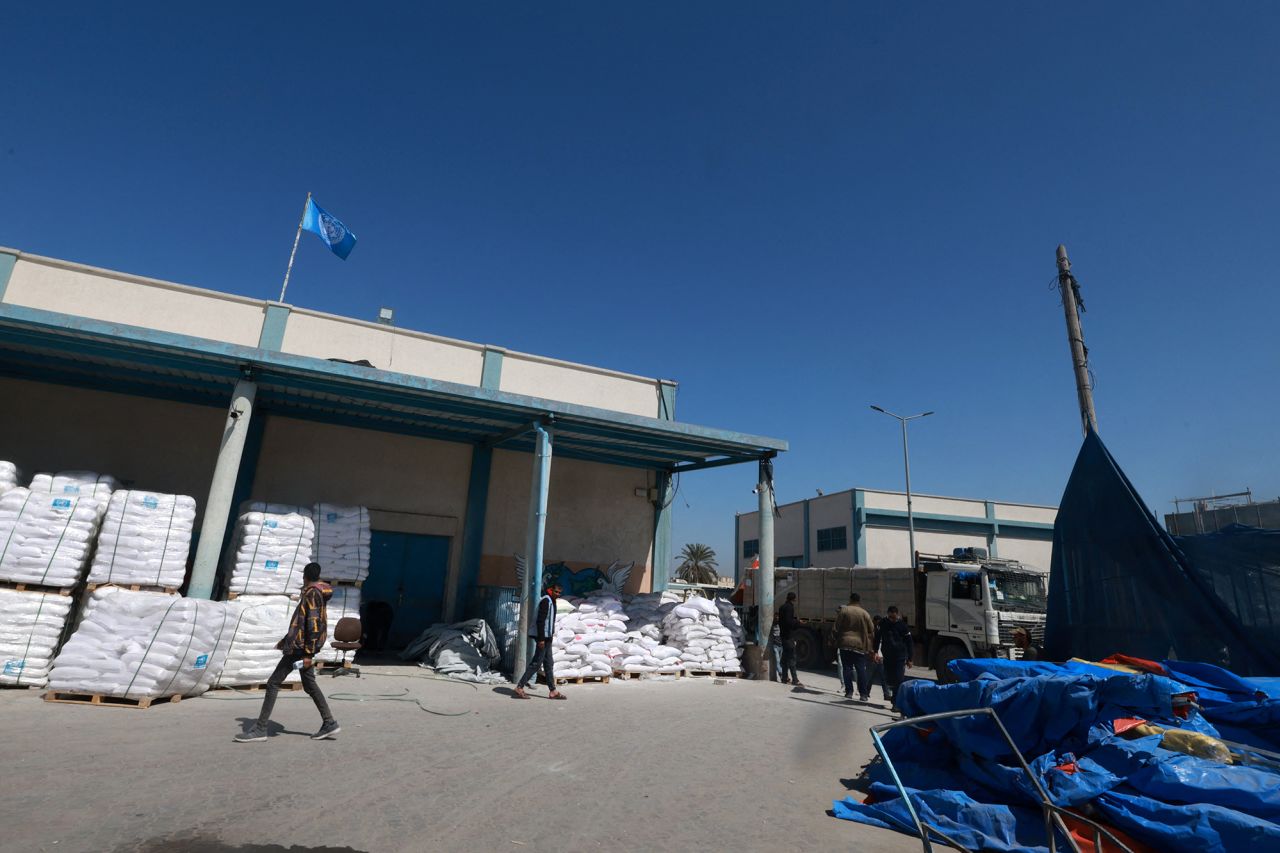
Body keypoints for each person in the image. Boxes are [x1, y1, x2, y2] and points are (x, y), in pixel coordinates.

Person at [235, 562, 340, 742]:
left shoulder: (312, 594)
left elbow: (313, 624)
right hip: (299, 646)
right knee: (310, 685)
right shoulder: (315, 592)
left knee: (273, 682)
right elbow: (300, 622)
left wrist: (308, 654)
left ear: (305, 576)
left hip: (300, 649)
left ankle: (260, 728)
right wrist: (285, 641)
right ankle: (329, 722)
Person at [514, 582, 566, 700]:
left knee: (548, 664)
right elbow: (540, 621)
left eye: (559, 593)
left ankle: (553, 691)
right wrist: (541, 639)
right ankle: (520, 687)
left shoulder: (552, 601)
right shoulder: (546, 601)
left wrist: (549, 638)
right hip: (542, 638)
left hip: (547, 638)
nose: (557, 594)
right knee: (536, 663)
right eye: (556, 592)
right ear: (550, 590)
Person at [833, 592, 875, 701]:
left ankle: (849, 692)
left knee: (847, 668)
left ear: (850, 599)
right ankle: (863, 694)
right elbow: (871, 628)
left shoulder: (844, 610)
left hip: (845, 643)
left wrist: (833, 639)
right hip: (860, 645)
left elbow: (836, 627)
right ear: (859, 601)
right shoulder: (864, 613)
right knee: (861, 669)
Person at [874, 605, 913, 706]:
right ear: (887, 615)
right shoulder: (883, 623)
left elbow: (909, 642)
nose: (892, 620)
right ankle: (893, 698)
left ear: (897, 615)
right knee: (889, 679)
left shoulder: (902, 626)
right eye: (890, 617)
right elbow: (877, 638)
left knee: (899, 679)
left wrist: (910, 658)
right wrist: (875, 652)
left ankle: (896, 703)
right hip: (887, 656)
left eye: (894, 618)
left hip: (900, 656)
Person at [778, 592, 802, 687]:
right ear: (794, 599)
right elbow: (789, 622)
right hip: (789, 636)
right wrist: (797, 622)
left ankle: (784, 678)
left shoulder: (782, 607)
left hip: (783, 635)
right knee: (792, 658)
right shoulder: (789, 607)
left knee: (785, 658)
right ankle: (795, 680)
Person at [768, 612, 784, 682]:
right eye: (776, 617)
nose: (777, 618)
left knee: (779, 661)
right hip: (775, 645)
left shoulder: (782, 624)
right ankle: (781, 674)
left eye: (778, 617)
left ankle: (779, 674)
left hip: (781, 645)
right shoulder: (772, 624)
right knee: (777, 661)